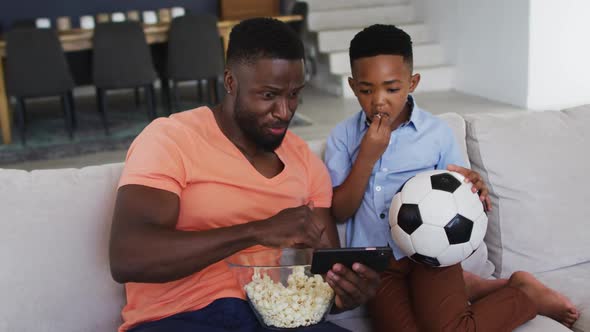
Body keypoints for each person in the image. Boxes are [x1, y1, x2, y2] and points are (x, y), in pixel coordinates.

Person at [108, 18, 380, 332]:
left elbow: (321, 278)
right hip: (181, 317)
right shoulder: (170, 139)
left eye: (294, 95)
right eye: (269, 95)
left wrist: (345, 292)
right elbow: (128, 255)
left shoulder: (305, 162)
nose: (284, 111)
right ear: (231, 82)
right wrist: (256, 231)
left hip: (279, 318)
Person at [324, 24, 579, 331]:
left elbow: (459, 193)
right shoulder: (343, 137)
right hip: (377, 267)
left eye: (392, 88)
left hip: (431, 255)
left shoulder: (436, 135)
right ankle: (492, 290)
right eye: (367, 90)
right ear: (353, 87)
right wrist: (366, 156)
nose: (379, 101)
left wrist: (473, 187)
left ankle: (524, 298)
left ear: (412, 82)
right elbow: (339, 210)